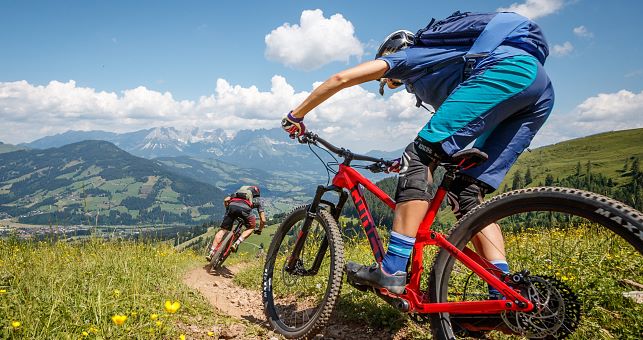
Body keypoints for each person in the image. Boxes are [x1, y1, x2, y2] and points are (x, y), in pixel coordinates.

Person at [281, 11, 554, 295]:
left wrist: (295, 116)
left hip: (506, 70)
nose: (393, 83)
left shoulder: (409, 58)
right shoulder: (449, 66)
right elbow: (458, 129)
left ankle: (392, 269)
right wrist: (414, 162)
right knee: (467, 193)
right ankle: (503, 292)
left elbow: (341, 78)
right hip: (539, 87)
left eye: (391, 82)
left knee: (419, 153)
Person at [206, 185, 266, 261]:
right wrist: (259, 230)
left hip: (232, 207)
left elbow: (226, 200)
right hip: (245, 211)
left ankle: (211, 252)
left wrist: (228, 209)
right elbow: (263, 220)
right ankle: (237, 243)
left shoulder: (237, 194)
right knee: (251, 227)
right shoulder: (259, 200)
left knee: (222, 230)